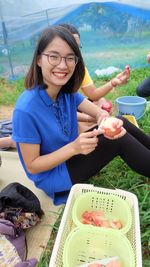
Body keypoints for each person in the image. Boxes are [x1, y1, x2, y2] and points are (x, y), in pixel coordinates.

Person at [12, 26, 150, 206]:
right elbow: (32, 165)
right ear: (39, 59)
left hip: (71, 155)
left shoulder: (66, 91)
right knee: (116, 140)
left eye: (70, 58)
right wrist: (74, 148)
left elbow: (98, 112)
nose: (63, 65)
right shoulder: (26, 110)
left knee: (120, 121)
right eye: (54, 56)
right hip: (54, 175)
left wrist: (104, 119)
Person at [59, 23, 130, 132]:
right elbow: (60, 112)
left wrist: (113, 82)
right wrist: (90, 118)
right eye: (70, 47)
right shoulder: (56, 77)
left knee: (101, 102)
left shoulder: (78, 67)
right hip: (64, 120)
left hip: (72, 109)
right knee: (86, 127)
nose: (75, 53)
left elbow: (93, 94)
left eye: (77, 48)